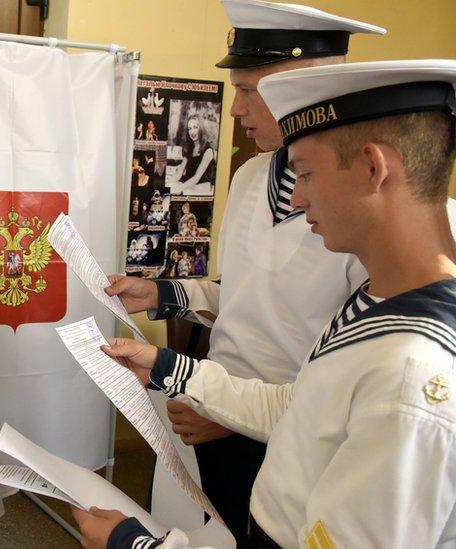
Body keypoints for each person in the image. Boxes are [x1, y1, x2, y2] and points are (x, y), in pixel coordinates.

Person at [82, 58, 456, 549]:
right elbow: (298, 408)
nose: (296, 199)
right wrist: (168, 368)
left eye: (305, 173)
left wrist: (136, 545)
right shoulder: (380, 297)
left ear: (372, 167)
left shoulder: (411, 379)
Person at [101, 1, 385, 542]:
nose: (236, 109)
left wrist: (232, 417)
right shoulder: (255, 176)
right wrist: (161, 294)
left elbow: (351, 375)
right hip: (213, 404)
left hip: (291, 433)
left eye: (253, 89)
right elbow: (240, 293)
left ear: (311, 86)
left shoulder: (361, 207)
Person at [175, 114, 216, 192]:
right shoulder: (189, 148)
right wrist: (169, 185)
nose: (192, 132)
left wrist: (178, 189)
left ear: (201, 128)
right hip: (188, 186)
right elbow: (179, 173)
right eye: (189, 128)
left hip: (202, 188)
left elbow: (196, 178)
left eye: (195, 127)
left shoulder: (208, 150)